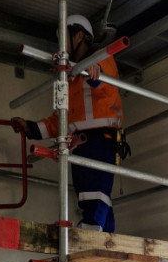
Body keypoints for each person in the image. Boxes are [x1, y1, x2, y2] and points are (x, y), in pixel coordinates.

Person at [11, 14, 123, 233]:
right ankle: (105, 238)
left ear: (79, 36)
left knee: (95, 195)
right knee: (91, 196)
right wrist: (30, 128)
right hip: (80, 144)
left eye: (64, 36)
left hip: (101, 140)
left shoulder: (100, 58)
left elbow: (106, 83)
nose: (61, 44)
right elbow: (58, 121)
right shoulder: (69, 79)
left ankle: (89, 236)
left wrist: (95, 74)